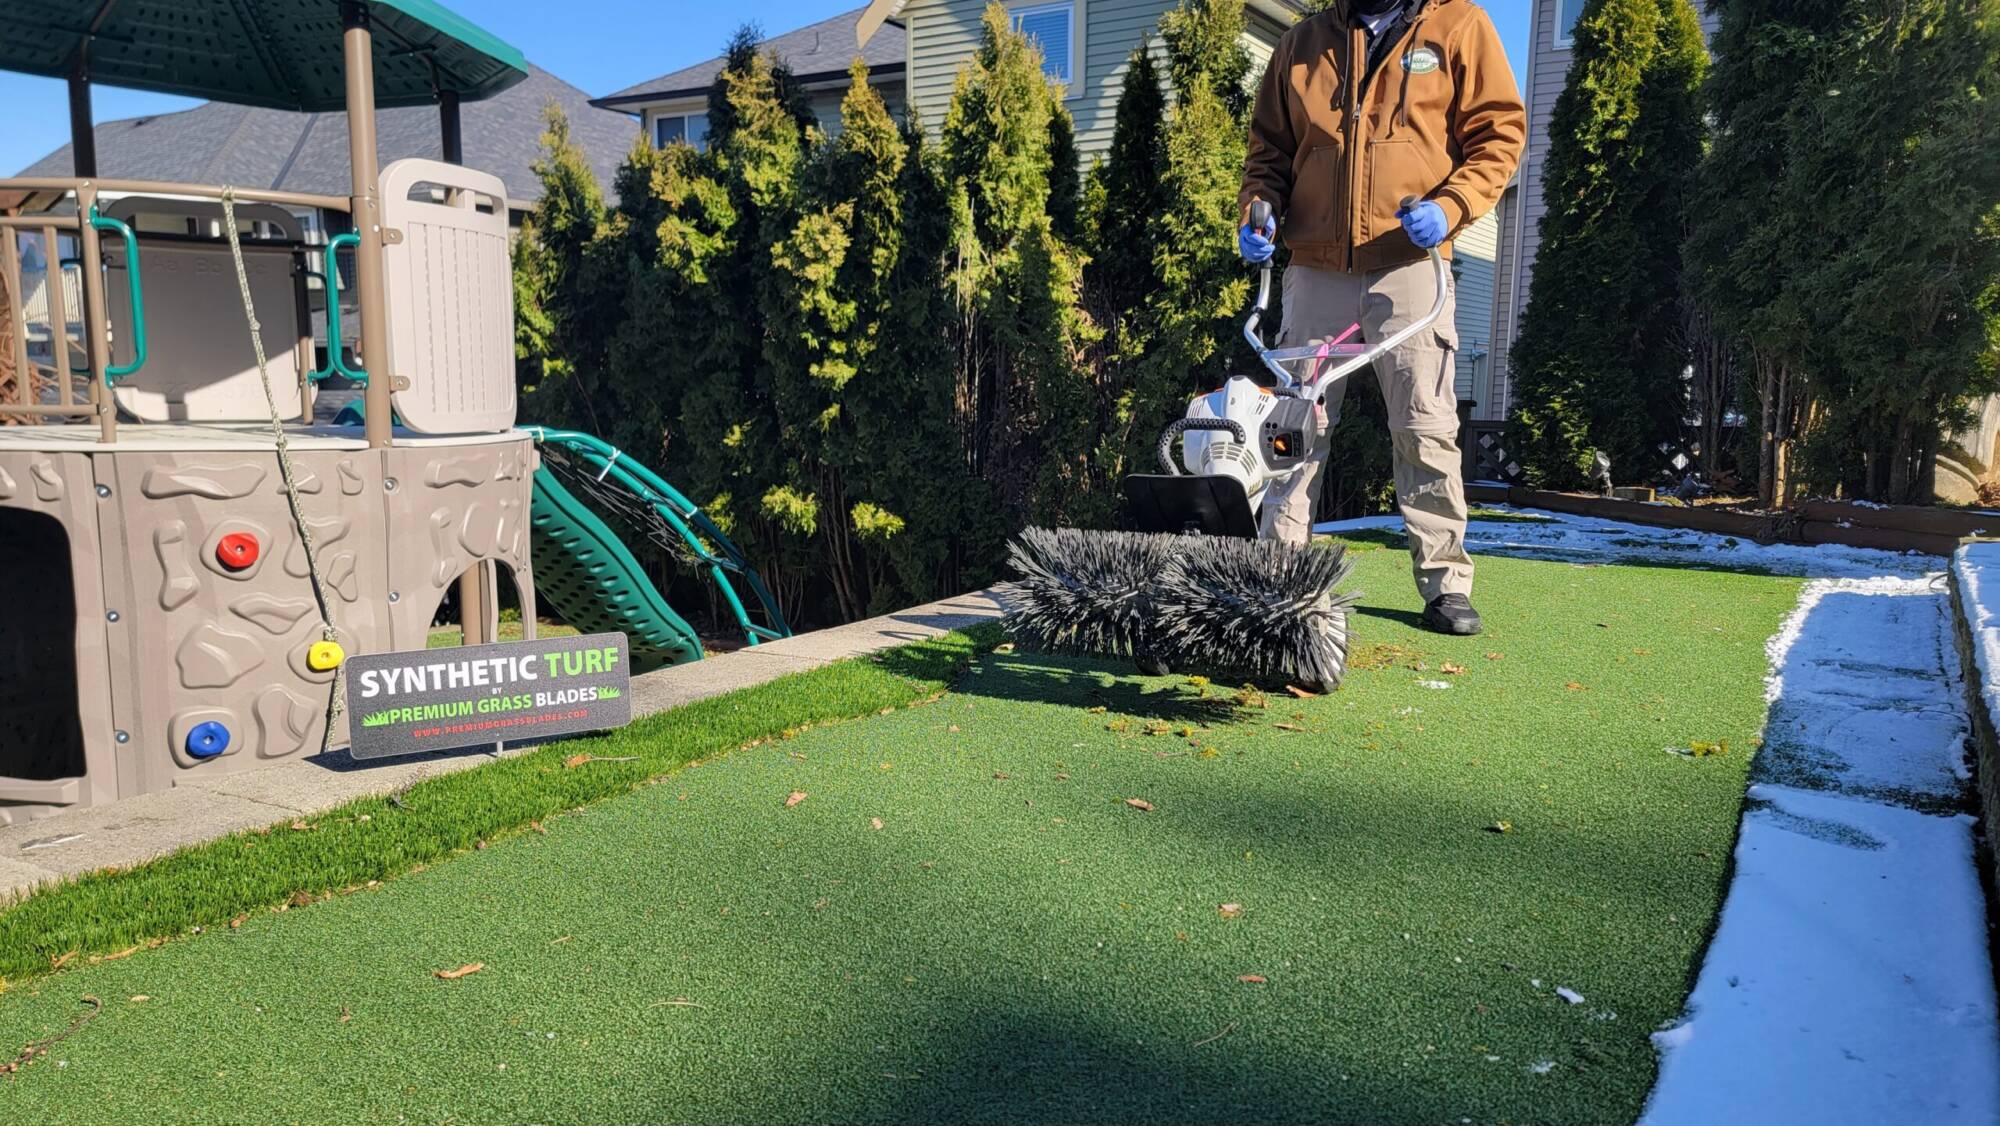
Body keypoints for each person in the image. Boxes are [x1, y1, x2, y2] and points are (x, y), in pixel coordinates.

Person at [1238, 0, 1524, 636]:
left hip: (1410, 263)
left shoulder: (1459, 27)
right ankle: (1279, 574)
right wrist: (1259, 212)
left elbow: (1499, 136)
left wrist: (1453, 207)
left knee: (1424, 426)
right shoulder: (1303, 41)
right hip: (1314, 267)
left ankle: (1446, 583)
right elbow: (1269, 153)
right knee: (1294, 428)